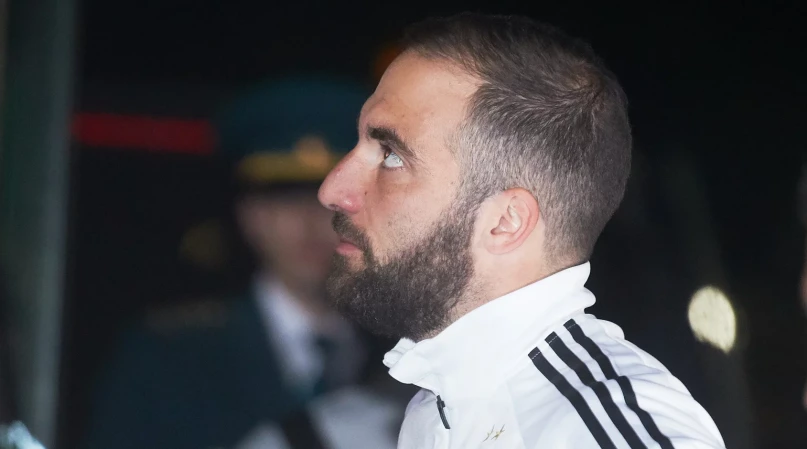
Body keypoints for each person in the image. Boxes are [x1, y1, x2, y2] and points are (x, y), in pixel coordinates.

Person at [317, 13, 726, 449]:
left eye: (392, 156)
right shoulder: (440, 405)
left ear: (505, 222)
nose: (332, 190)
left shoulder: (597, 430)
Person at [83, 76, 407, 449]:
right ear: (249, 215)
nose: (311, 221)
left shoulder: (403, 356)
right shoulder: (168, 358)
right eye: (286, 199)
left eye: (332, 202)